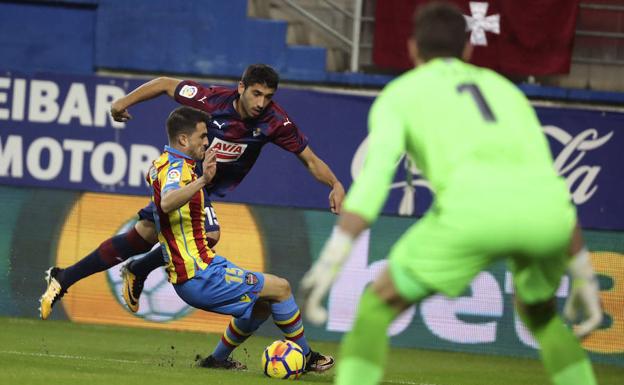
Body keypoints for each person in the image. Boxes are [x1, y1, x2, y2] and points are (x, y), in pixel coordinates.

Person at [299, 3, 602, 385]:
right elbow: (549, 182)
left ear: (412, 49)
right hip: (546, 218)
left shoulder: (401, 94)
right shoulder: (506, 90)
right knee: (541, 316)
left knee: (376, 307)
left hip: (472, 213)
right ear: (468, 48)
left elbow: (375, 180)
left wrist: (334, 255)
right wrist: (583, 273)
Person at [39, 64, 345, 319]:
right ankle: (132, 269)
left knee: (143, 234)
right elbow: (163, 84)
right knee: (209, 234)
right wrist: (122, 103)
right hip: (187, 178)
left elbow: (310, 160)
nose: (261, 103)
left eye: (268, 96)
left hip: (203, 186)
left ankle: (69, 276)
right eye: (256, 93)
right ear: (241, 87)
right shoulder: (211, 100)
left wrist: (334, 183)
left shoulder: (276, 122)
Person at [140, 105, 334, 371]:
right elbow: (167, 202)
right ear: (183, 140)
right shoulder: (177, 169)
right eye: (201, 137)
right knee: (281, 288)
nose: (207, 141)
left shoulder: (161, 164)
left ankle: (216, 360)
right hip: (199, 274)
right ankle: (307, 356)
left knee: (262, 306)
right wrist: (202, 181)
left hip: (200, 269)